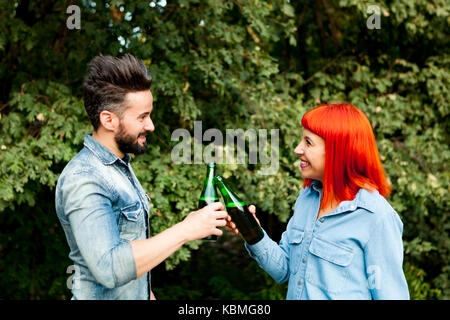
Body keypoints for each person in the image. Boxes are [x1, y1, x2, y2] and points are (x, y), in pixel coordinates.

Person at [55, 54, 228, 300]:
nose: (151, 125)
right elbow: (108, 268)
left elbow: (127, 249)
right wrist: (187, 229)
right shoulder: (85, 178)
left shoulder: (119, 166)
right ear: (108, 120)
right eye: (142, 117)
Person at [227, 104, 410, 299]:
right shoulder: (307, 199)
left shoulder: (376, 217)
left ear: (337, 150)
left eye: (308, 142)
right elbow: (284, 270)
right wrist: (253, 233)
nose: (298, 149)